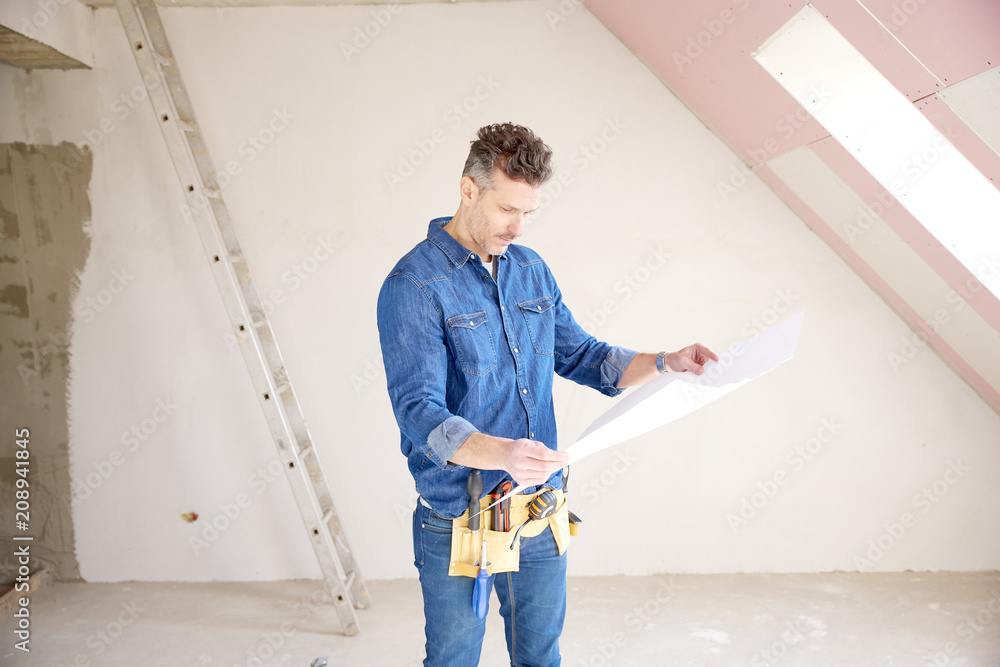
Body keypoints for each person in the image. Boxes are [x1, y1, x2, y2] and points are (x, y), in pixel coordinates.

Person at [377, 122, 717, 667]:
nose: (518, 227)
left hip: (537, 511)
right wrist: (503, 452)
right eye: (508, 209)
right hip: (459, 517)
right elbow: (420, 413)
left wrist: (664, 362)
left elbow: (584, 357)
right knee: (454, 660)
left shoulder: (531, 271)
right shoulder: (412, 286)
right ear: (469, 189)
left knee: (540, 657)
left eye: (528, 213)